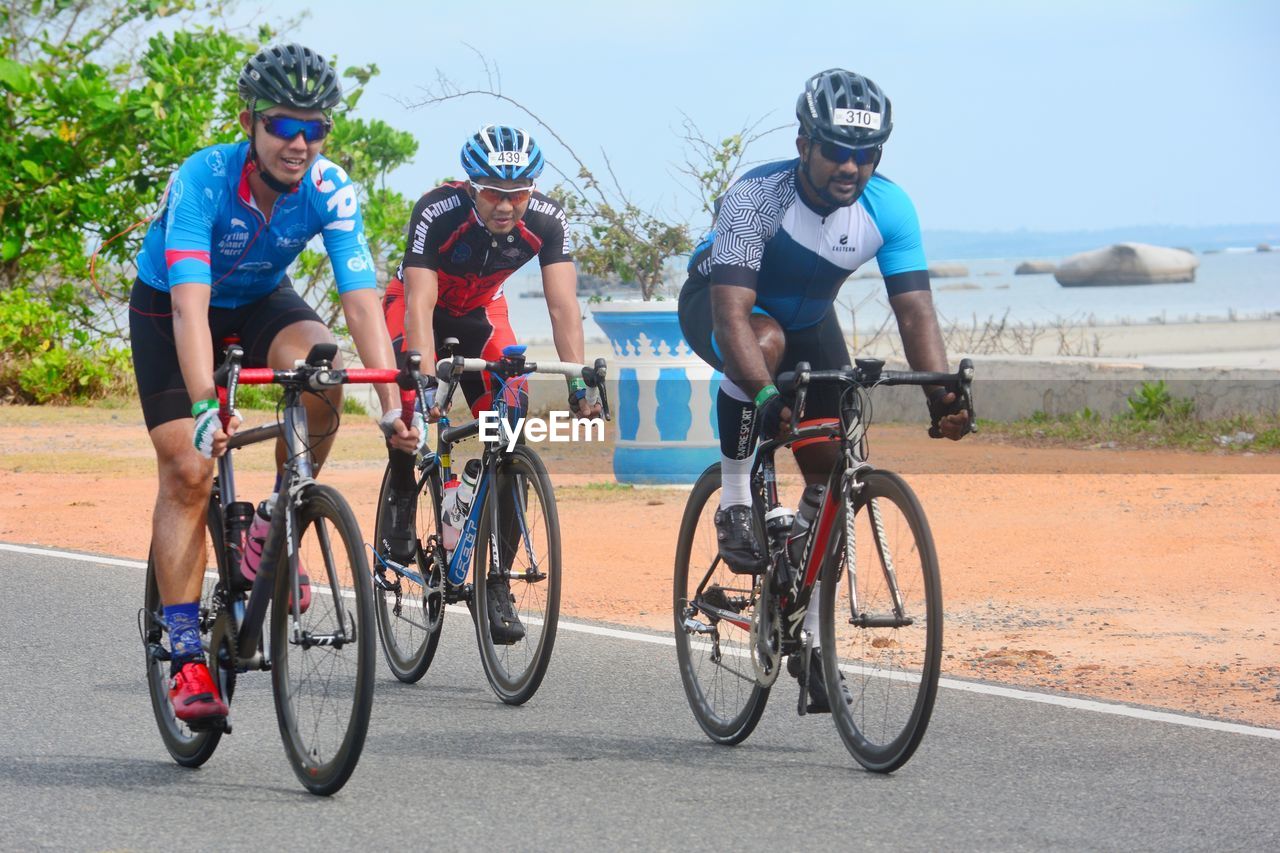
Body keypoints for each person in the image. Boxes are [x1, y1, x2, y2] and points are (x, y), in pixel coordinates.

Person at [131, 43, 419, 726]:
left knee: (324, 375)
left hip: (263, 299)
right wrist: (206, 404)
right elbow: (188, 307)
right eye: (284, 124)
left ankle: (271, 518)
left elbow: (358, 302)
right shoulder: (203, 179)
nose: (300, 142)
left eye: (315, 127)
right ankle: (186, 652)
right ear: (249, 122)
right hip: (172, 306)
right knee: (189, 468)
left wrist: (392, 404)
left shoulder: (329, 188)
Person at [677, 68, 971, 711]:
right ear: (805, 141)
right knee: (766, 343)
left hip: (811, 325)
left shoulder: (889, 207)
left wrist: (942, 396)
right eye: (837, 148)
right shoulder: (758, 195)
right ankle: (733, 494)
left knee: (830, 475)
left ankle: (809, 637)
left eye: (866, 153)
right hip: (722, 308)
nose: (851, 165)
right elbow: (733, 318)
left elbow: (915, 311)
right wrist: (764, 397)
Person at [378, 124, 599, 643]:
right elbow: (419, 304)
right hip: (418, 308)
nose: (506, 205)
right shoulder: (438, 210)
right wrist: (428, 382)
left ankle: (493, 580)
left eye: (518, 193)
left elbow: (563, 305)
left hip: (481, 311)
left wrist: (579, 386)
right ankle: (403, 494)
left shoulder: (546, 219)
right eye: (495, 193)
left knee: (510, 418)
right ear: (472, 186)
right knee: (413, 398)